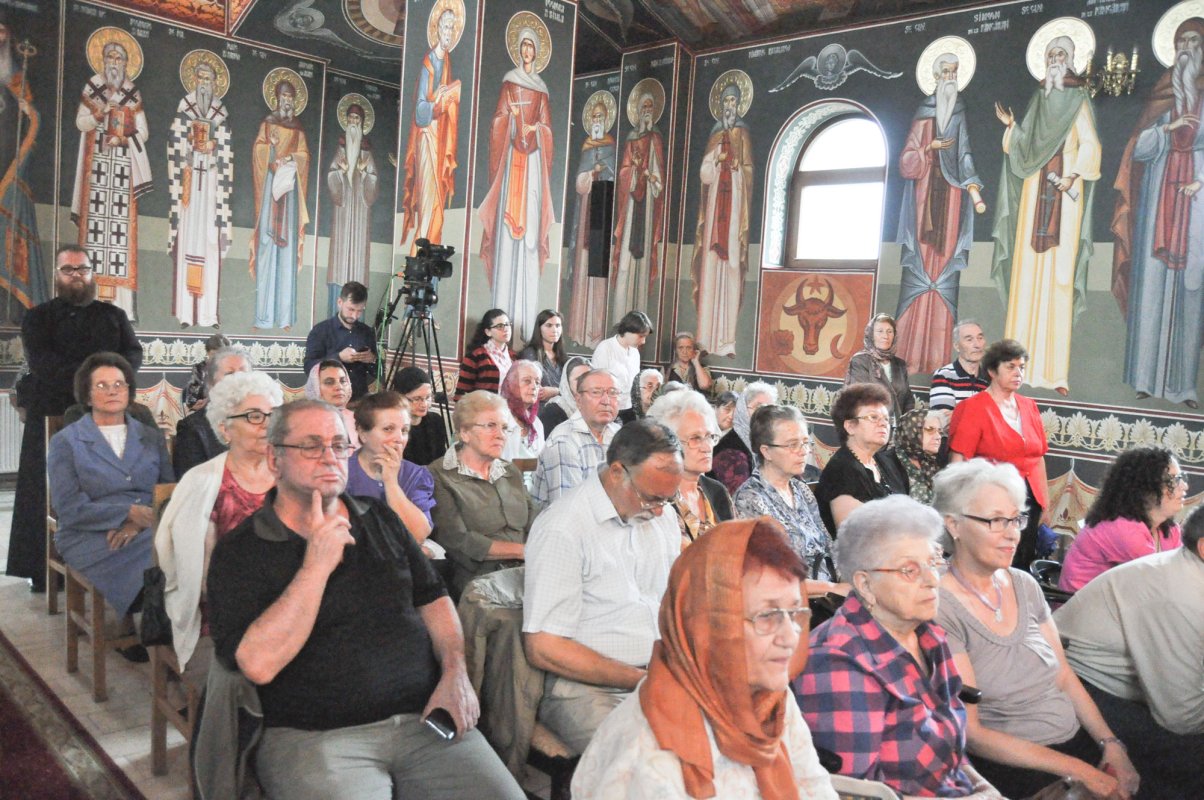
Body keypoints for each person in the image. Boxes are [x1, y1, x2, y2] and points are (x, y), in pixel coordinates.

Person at [206, 399, 525, 800]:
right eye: (311, 446)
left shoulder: (378, 518)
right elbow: (257, 665)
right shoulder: (243, 549)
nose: (330, 457)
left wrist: (454, 673)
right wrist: (316, 566)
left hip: (423, 721)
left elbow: (434, 597)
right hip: (317, 737)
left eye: (340, 445)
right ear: (274, 459)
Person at [573, 519, 840, 800]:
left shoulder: (768, 697)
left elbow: (814, 785)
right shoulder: (651, 761)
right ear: (708, 626)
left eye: (795, 612)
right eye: (768, 616)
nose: (790, 637)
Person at [933, 460, 1139, 800]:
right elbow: (973, 733)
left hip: (1072, 742)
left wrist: (1111, 744)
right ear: (953, 524)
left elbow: (1063, 676)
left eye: (1015, 519)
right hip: (1014, 763)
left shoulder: (1024, 584)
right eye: (995, 520)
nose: (1012, 532)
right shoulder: (940, 603)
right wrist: (1081, 771)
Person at [797, 496, 1002, 798]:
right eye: (910, 570)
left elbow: (950, 748)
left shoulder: (928, 635)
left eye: (934, 561)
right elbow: (857, 794)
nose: (932, 580)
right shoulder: (837, 661)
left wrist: (985, 789)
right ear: (865, 585)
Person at [523, 419, 683, 754]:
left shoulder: (661, 515)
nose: (659, 511)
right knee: (647, 762)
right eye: (651, 497)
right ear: (616, 473)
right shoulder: (564, 527)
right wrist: (638, 678)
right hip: (586, 687)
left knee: (732, 740)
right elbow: (544, 646)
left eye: (670, 498)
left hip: (659, 673)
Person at [9, 246, 141, 589]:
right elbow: (43, 364)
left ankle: (103, 563)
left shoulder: (113, 315)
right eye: (68, 270)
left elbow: (133, 354)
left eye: (82, 269)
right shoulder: (38, 317)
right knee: (47, 491)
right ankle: (45, 572)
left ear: (91, 273)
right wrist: (95, 383)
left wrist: (111, 384)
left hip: (107, 417)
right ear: (57, 275)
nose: (76, 275)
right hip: (52, 411)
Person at [1054, 507, 1204, 798]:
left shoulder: (1190, 574)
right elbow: (1180, 716)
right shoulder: (1183, 595)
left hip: (1118, 683)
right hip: (1076, 685)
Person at [991, 34, 1101, 395]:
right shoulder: (1041, 97)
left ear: (1070, 61)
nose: (1054, 60)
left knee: (1058, 280)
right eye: (1050, 55)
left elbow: (1091, 145)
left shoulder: (1077, 98)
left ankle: (1054, 373)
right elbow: (1026, 146)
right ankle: (1013, 371)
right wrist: (1011, 128)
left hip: (1063, 197)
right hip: (1034, 192)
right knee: (1026, 278)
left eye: (1060, 55)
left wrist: (1071, 174)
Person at [157, 371, 281, 673]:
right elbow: (199, 576)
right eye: (253, 416)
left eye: (271, 415)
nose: (266, 424)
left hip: (287, 597)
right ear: (225, 429)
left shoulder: (289, 474)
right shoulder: (202, 483)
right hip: (225, 612)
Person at [48, 353, 173, 640]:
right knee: (167, 555)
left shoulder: (151, 437)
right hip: (87, 533)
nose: (113, 390)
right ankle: (162, 642)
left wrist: (137, 522)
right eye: (102, 385)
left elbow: (167, 490)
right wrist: (128, 513)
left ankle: (158, 634)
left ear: (129, 390)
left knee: (172, 547)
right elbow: (68, 508)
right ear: (87, 395)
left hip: (145, 526)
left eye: (120, 384)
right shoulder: (66, 442)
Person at [1113, 18, 1204, 408]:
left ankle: (1183, 385)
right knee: (1151, 288)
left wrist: (1200, 179)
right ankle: (1145, 379)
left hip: (1195, 203)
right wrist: (1168, 130)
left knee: (1190, 292)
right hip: (1156, 202)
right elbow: (1139, 149)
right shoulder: (1162, 91)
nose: (1186, 47)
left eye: (1194, 41)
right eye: (1181, 40)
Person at [894, 52, 986, 377]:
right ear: (935, 76)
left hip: (952, 200)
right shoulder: (924, 112)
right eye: (945, 72)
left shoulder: (958, 111)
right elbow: (906, 160)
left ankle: (936, 358)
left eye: (954, 72)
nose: (950, 77)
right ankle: (908, 354)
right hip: (923, 201)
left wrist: (973, 185)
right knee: (919, 268)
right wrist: (928, 149)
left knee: (945, 269)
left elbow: (964, 155)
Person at [478, 22, 554, 337]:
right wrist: (511, 123)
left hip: (533, 166)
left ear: (537, 52)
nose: (526, 51)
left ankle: (525, 320)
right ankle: (502, 316)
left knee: (530, 236)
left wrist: (535, 130)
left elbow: (547, 129)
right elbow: (497, 119)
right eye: (522, 46)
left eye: (530, 47)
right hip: (512, 164)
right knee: (508, 236)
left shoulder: (541, 89)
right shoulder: (509, 84)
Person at [948, 338, 1049, 569]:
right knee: (992, 562)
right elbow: (958, 462)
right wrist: (956, 507)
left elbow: (1038, 458)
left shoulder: (1029, 406)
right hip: (989, 502)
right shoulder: (973, 407)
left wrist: (1045, 503)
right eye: (1010, 367)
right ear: (993, 371)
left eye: (1021, 367)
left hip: (1029, 501)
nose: (1018, 373)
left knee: (1022, 562)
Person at [71, 34, 151, 317]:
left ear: (127, 63)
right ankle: (88, 306)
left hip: (121, 175)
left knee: (120, 238)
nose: (114, 63)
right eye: (110, 57)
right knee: (95, 237)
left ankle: (122, 308)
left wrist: (125, 139)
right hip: (97, 173)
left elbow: (143, 132)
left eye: (120, 58)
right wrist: (99, 114)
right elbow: (81, 122)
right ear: (102, 61)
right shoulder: (92, 87)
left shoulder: (132, 92)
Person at [428, 391, 536, 598]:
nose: (500, 435)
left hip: (528, 571)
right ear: (465, 432)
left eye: (504, 428)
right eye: (490, 426)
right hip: (479, 582)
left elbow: (533, 520)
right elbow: (457, 540)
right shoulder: (438, 475)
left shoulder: (509, 472)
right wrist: (522, 551)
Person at [734, 405, 845, 594]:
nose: (804, 451)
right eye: (793, 445)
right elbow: (772, 577)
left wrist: (847, 579)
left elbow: (828, 545)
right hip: (789, 602)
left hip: (826, 595)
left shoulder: (801, 489)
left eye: (805, 442)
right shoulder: (750, 498)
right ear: (766, 451)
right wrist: (834, 588)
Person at [1058, 446, 1186, 593]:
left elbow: (1181, 572)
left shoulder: (1169, 530)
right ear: (1145, 488)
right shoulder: (1123, 529)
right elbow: (1162, 584)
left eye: (1182, 478)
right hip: (1086, 611)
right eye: (1174, 481)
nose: (1184, 486)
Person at [167, 53, 233, 330]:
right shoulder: (184, 109)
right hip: (189, 193)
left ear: (216, 84)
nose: (205, 84)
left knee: (210, 249)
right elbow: (173, 146)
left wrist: (215, 150)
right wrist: (192, 151)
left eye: (210, 79)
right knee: (187, 249)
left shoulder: (221, 114)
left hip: (212, 196)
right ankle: (186, 312)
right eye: (201, 78)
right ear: (194, 81)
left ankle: (208, 315)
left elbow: (229, 154)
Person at [692, 80, 753, 358]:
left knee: (730, 271)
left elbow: (750, 172)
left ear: (738, 105)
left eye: (732, 102)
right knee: (710, 269)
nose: (729, 106)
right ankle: (704, 338)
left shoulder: (743, 133)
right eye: (725, 102)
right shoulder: (716, 135)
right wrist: (718, 159)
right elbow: (704, 174)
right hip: (716, 211)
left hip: (735, 211)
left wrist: (739, 167)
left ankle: (727, 340)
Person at [398, 4, 462, 254]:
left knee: (437, 202)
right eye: (445, 27)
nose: (448, 31)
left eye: (452, 28)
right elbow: (420, 111)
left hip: (439, 139)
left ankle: (427, 253)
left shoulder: (446, 61)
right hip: (427, 140)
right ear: (436, 29)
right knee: (428, 200)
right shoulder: (429, 64)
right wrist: (439, 99)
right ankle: (417, 255)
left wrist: (448, 98)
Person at [250, 75, 310, 331]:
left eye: (290, 97)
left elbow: (305, 156)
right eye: (283, 96)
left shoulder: (297, 128)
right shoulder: (268, 124)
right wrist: (272, 151)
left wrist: (292, 160)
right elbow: (258, 152)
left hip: (290, 196)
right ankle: (263, 317)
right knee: (267, 249)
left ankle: (284, 318)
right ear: (276, 99)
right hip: (269, 197)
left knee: (286, 256)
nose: (287, 101)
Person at [348, 391, 437, 555]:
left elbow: (418, 535)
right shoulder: (343, 474)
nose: (399, 438)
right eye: (388, 429)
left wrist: (391, 482)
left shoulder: (416, 475)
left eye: (404, 430)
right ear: (362, 433)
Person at [816, 383, 910, 535]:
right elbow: (854, 537)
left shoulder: (887, 462)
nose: (883, 423)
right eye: (873, 417)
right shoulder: (842, 471)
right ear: (850, 426)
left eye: (886, 418)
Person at [0, 21, 47, 322]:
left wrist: (28, 111)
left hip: (10, 167)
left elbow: (32, 121)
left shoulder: (16, 76)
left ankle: (10, 309)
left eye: (2, 31)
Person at [646, 389, 732, 545]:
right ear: (668, 444)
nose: (707, 447)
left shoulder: (717, 491)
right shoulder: (657, 498)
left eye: (710, 437)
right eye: (695, 439)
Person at [609, 89, 665, 327]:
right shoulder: (631, 139)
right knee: (625, 264)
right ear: (638, 112)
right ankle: (618, 318)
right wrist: (633, 172)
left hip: (648, 208)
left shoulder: (655, 140)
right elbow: (622, 174)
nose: (647, 112)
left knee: (641, 267)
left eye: (651, 108)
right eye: (644, 108)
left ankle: (640, 319)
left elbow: (659, 179)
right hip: (631, 208)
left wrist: (651, 177)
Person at [566, 96, 617, 349]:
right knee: (583, 270)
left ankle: (596, 333)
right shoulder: (587, 148)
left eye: (600, 117)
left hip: (604, 217)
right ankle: (578, 331)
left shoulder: (611, 148)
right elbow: (579, 183)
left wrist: (603, 171)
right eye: (594, 117)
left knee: (598, 273)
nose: (597, 121)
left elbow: (615, 178)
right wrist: (591, 172)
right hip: (587, 214)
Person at [530, 368, 622, 505]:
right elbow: (568, 509)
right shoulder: (563, 442)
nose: (606, 400)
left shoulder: (618, 434)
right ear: (578, 400)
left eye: (612, 393)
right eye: (596, 392)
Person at [324, 103, 378, 312]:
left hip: (361, 212)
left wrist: (364, 174)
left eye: (357, 120)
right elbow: (331, 175)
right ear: (346, 122)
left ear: (362, 123)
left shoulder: (366, 150)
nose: (354, 123)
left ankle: (357, 307)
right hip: (343, 209)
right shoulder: (340, 148)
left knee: (358, 258)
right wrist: (341, 172)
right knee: (339, 257)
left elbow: (373, 182)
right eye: (351, 119)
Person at [174, 346, 252, 478]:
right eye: (229, 374)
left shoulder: (265, 420)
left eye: (243, 373)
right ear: (211, 382)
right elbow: (191, 483)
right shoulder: (193, 428)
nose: (238, 379)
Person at [304, 281, 377, 401]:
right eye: (351, 309)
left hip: (360, 401)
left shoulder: (367, 332)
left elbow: (377, 372)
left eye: (360, 311)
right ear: (339, 302)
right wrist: (338, 357)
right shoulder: (320, 331)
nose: (354, 316)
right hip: (328, 403)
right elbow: (309, 367)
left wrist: (372, 359)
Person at [844, 313, 915, 421]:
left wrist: (905, 423)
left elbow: (908, 399)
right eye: (880, 331)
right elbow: (859, 398)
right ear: (871, 335)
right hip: (869, 425)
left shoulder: (900, 364)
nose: (885, 336)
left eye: (889, 331)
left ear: (894, 335)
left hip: (897, 429)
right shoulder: (860, 360)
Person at [710, 381, 777, 496]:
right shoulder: (730, 451)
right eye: (758, 407)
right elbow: (742, 497)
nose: (764, 413)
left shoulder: (767, 443)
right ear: (742, 409)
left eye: (770, 408)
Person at [928, 320, 989, 421]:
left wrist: (958, 414)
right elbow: (943, 421)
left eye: (980, 338)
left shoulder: (990, 378)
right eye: (969, 340)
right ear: (957, 346)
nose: (977, 344)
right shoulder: (944, 375)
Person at [591, 310, 652, 411]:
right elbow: (597, 383)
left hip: (629, 408)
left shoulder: (635, 352)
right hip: (608, 407)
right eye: (641, 336)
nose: (643, 341)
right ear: (628, 331)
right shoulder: (605, 348)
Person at [391, 366, 448, 466]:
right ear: (400, 397)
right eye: (417, 399)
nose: (424, 404)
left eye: (428, 397)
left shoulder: (435, 420)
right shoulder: (393, 426)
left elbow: (440, 458)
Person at [454, 308, 514, 399]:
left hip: (508, 411)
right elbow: (461, 395)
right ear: (488, 332)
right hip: (483, 409)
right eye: (500, 326)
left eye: (508, 324)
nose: (506, 329)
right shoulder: (475, 357)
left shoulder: (514, 357)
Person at [892, 404, 944, 504]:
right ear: (911, 431)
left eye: (939, 431)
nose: (938, 437)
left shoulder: (932, 463)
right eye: (930, 430)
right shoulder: (889, 462)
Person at [305, 359, 359, 449]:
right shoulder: (306, 423)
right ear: (315, 386)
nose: (339, 387)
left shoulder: (358, 419)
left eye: (343, 381)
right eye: (329, 382)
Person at [517, 308, 567, 403]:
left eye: (558, 326)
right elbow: (539, 390)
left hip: (562, 406)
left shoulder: (562, 356)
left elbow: (572, 389)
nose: (555, 330)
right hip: (538, 409)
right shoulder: (530, 354)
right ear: (539, 329)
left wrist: (556, 391)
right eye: (549, 325)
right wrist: (559, 391)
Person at [498, 359, 544, 461]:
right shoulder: (497, 419)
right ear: (511, 384)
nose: (533, 386)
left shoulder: (537, 424)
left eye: (537, 382)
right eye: (527, 381)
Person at [537, 355, 589, 437]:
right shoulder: (553, 411)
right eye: (578, 379)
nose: (583, 383)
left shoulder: (597, 407)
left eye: (588, 378)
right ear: (567, 382)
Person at [182, 333, 231, 411]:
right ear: (207, 352)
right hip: (204, 411)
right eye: (214, 354)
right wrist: (194, 404)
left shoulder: (232, 368)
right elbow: (191, 397)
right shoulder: (199, 368)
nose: (217, 357)